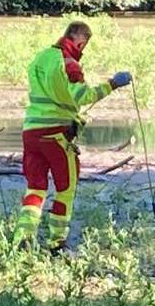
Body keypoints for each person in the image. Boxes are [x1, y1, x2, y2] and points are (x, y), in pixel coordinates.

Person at [16, 21, 132, 253]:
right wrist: (112, 84)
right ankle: (56, 243)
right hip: (56, 135)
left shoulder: (40, 57)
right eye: (84, 46)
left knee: (35, 188)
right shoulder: (69, 64)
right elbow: (83, 96)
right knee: (65, 189)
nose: (83, 51)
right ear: (80, 41)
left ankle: (24, 238)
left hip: (31, 132)